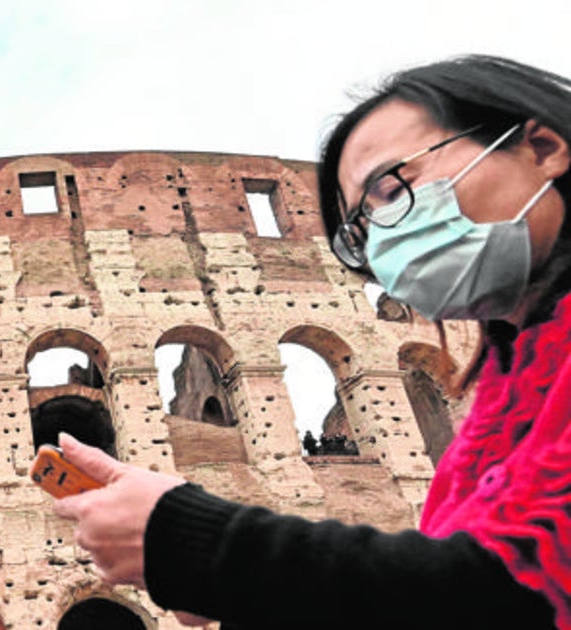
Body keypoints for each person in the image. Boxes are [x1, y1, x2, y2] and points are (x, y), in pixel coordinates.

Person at [53, 54, 571, 629]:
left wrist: (204, 548)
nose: (383, 234)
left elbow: (514, 596)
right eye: (359, 228)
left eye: (391, 186)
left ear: (543, 148)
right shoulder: (505, 404)